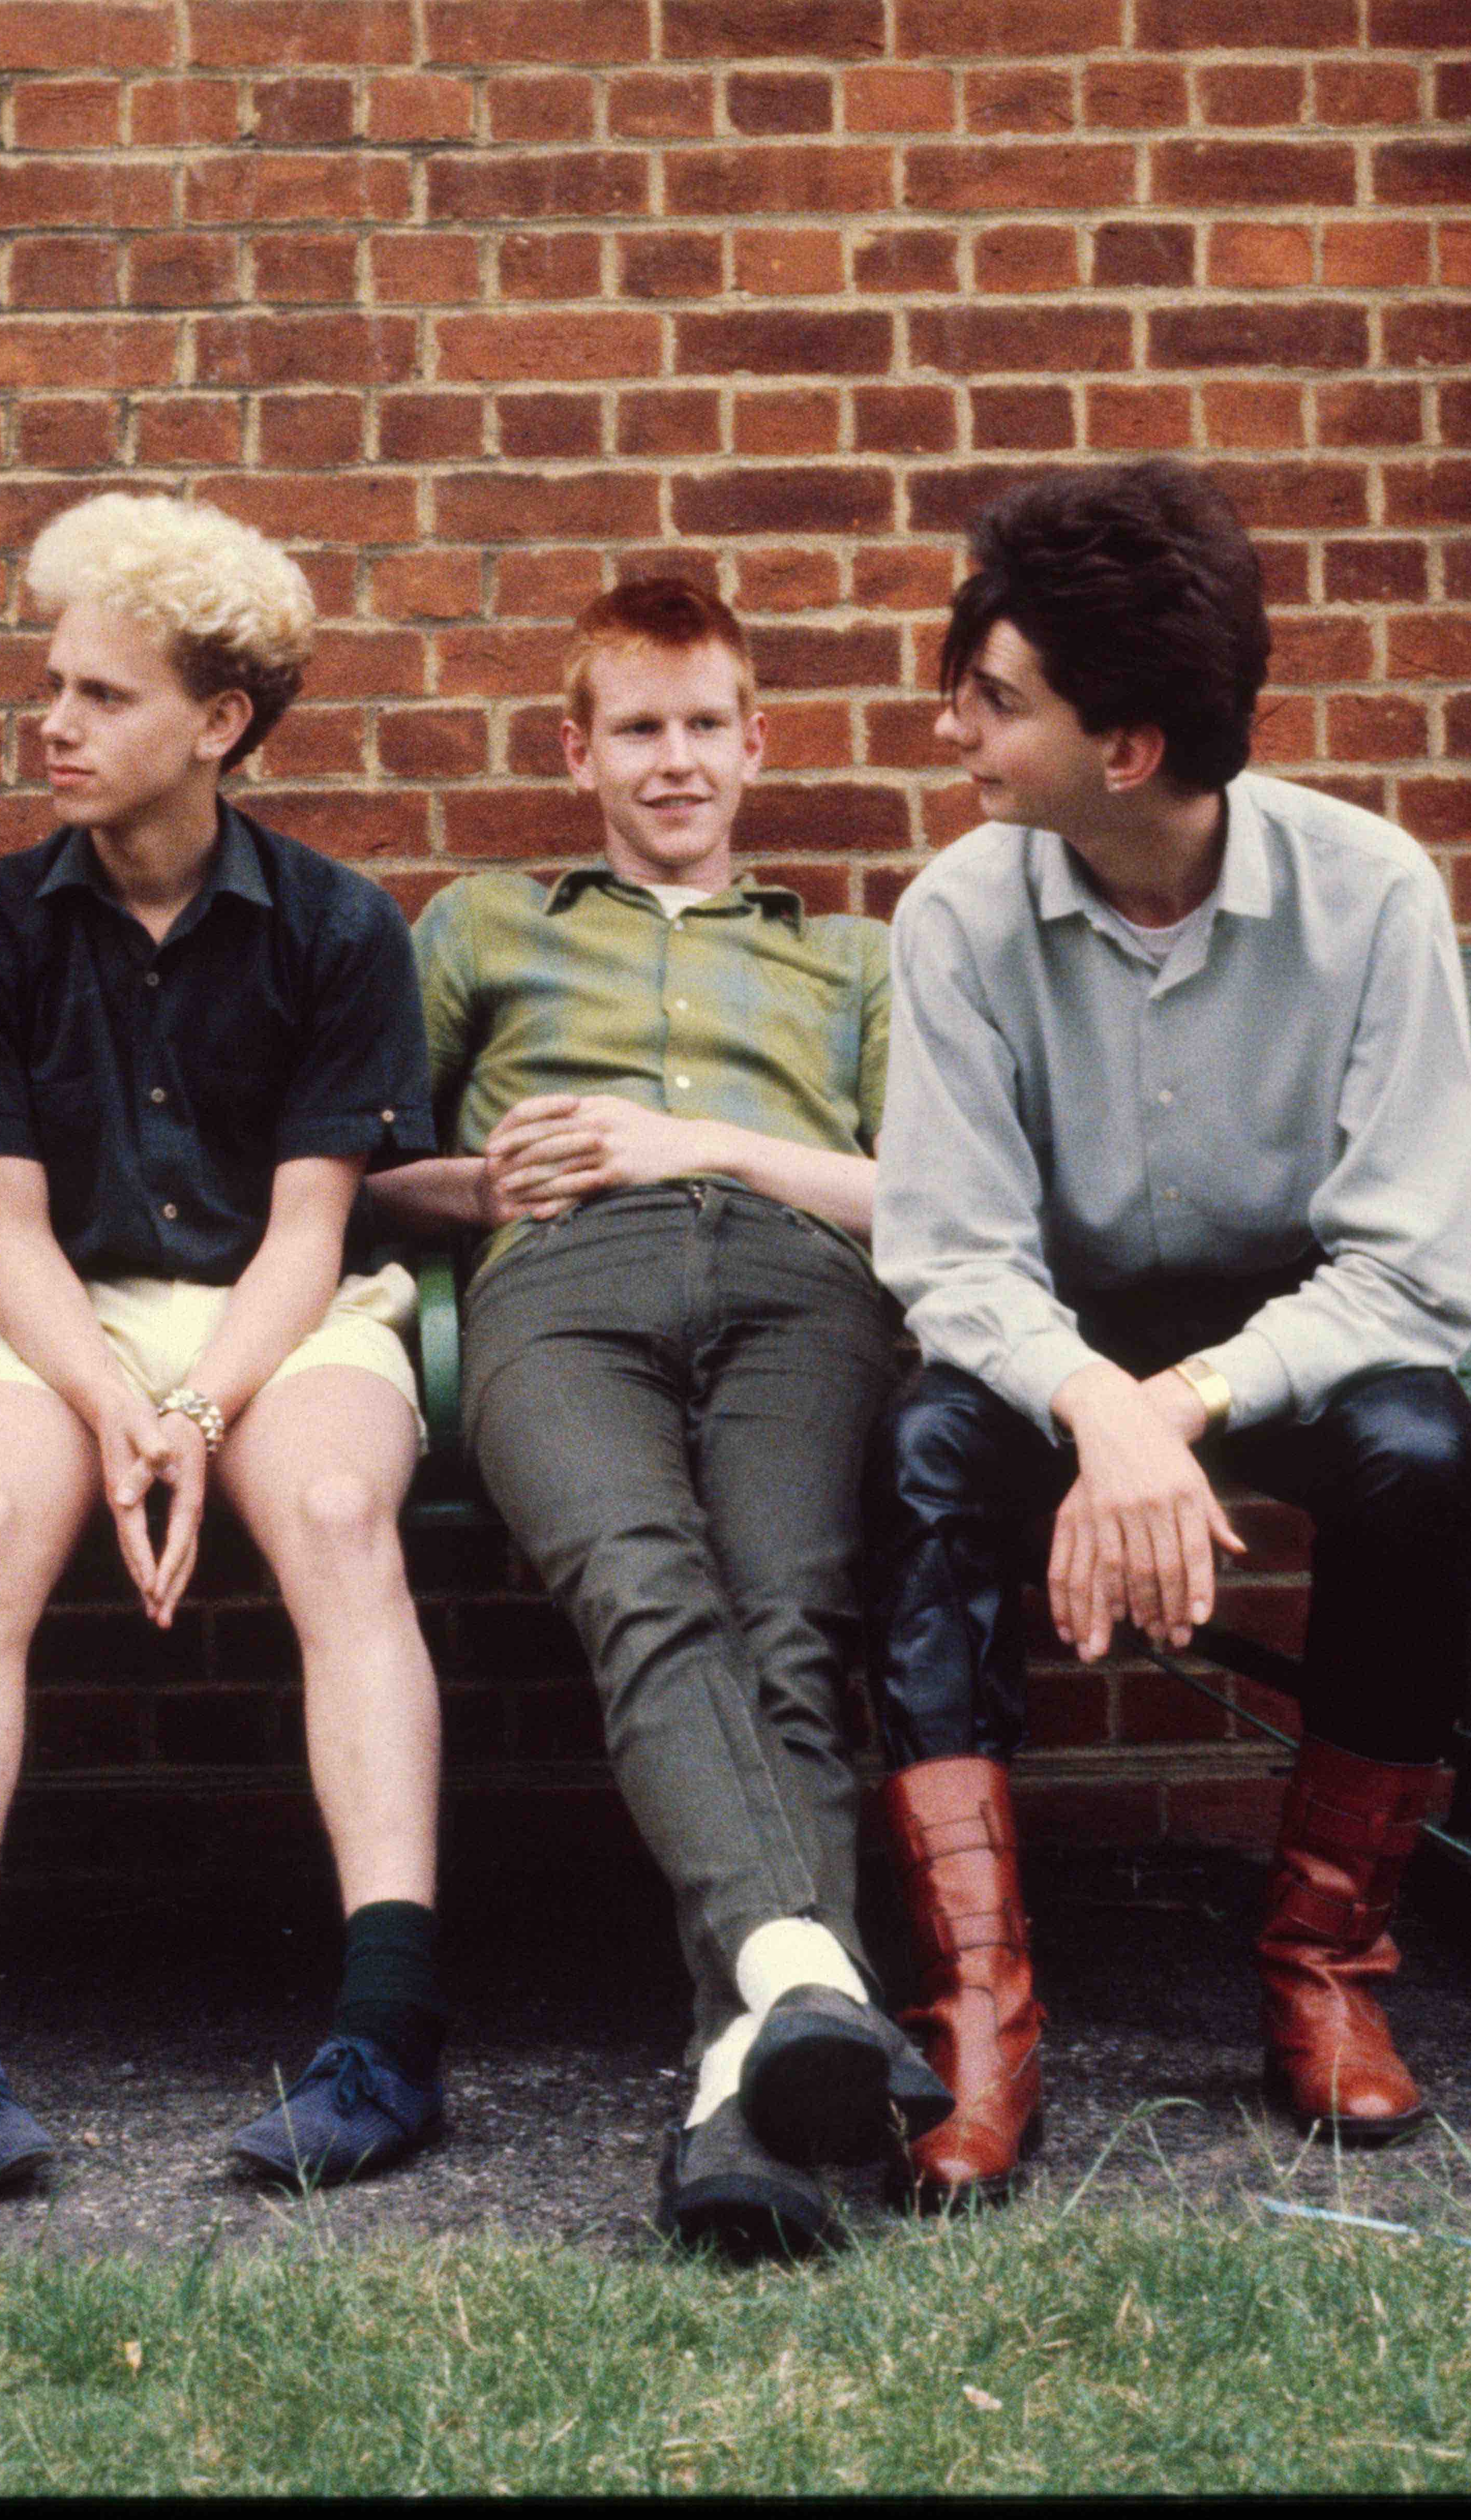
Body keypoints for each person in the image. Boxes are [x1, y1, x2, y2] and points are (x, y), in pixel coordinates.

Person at [865, 459, 1471, 2204]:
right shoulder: (961, 914)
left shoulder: (1372, 895)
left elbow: (1414, 1274)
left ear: (1124, 748)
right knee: (921, 1455)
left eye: (994, 702)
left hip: (1291, 1340)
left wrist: (1185, 1403)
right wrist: (1096, 1405)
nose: (953, 731)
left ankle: (1328, 1973)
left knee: (1426, 1458)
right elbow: (951, 1256)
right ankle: (976, 2013)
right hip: (1053, 1341)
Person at [367, 576, 947, 2260]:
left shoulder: (855, 958)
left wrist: (710, 1150)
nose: (676, 760)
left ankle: (737, 2099)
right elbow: (354, 1157)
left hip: (798, 1284)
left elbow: (924, 1197)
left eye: (706, 726)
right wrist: (478, 1178)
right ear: (580, 750)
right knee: (643, 1584)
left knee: (791, 1620)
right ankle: (805, 1993)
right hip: (561, 1288)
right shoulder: (484, 921)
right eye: (640, 728)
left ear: (757, 744)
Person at [0, 494, 445, 2199]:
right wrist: (119, 1398)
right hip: (63, 1319)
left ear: (220, 724)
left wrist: (197, 1403)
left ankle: (389, 2032)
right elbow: (11, 1232)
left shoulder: (340, 926)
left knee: (342, 1519)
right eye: (51, 683)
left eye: (103, 696)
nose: (52, 723)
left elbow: (310, 1233)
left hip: (289, 1315)